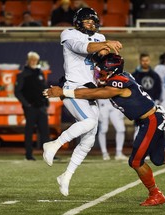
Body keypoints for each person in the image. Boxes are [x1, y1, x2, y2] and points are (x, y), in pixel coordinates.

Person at [43, 53, 165, 206]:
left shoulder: (118, 83)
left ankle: (155, 194)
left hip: (150, 120)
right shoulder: (120, 77)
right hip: (150, 119)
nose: (98, 72)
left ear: (111, 70)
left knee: (135, 162)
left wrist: (65, 93)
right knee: (158, 159)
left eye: (102, 70)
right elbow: (98, 88)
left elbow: (99, 93)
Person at [42, 8, 122, 197]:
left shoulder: (100, 36)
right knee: (90, 122)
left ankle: (66, 176)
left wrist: (107, 60)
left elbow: (100, 59)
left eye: (93, 21)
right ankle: (53, 145)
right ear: (78, 22)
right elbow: (82, 48)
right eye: (87, 21)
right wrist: (105, 44)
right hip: (72, 87)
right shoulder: (68, 33)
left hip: (90, 89)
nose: (91, 24)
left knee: (89, 137)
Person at [14, 51, 50, 160]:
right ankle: (29, 155)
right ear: (28, 61)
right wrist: (27, 104)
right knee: (29, 131)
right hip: (30, 108)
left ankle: (48, 155)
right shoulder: (22, 75)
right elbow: (17, 92)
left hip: (41, 107)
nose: (34, 62)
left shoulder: (40, 73)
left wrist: (46, 102)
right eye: (32, 60)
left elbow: (43, 88)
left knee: (45, 131)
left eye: (36, 60)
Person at [132, 52, 162, 140]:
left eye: (147, 60)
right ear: (140, 61)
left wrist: (156, 101)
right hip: (139, 105)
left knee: (151, 128)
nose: (145, 62)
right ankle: (137, 150)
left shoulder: (155, 75)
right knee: (138, 127)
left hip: (151, 105)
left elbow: (158, 89)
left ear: (149, 61)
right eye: (143, 61)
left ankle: (147, 150)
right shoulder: (135, 75)